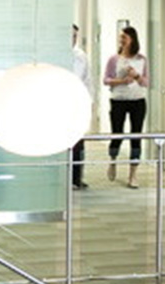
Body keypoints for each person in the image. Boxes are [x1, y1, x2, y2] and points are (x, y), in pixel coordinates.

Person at [103, 26, 149, 189]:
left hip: (138, 101)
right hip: (118, 101)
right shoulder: (113, 59)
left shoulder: (142, 59)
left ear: (132, 40)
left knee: (136, 136)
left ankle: (133, 174)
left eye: (125, 37)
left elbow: (147, 82)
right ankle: (113, 161)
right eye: (120, 37)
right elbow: (106, 80)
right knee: (117, 133)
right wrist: (122, 80)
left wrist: (136, 76)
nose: (121, 40)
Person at [70, 24, 92, 191]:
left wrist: (89, 103)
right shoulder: (52, 54)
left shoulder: (80, 56)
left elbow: (87, 80)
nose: (73, 39)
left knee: (78, 144)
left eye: (75, 36)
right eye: (71, 35)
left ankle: (77, 178)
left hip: (77, 104)